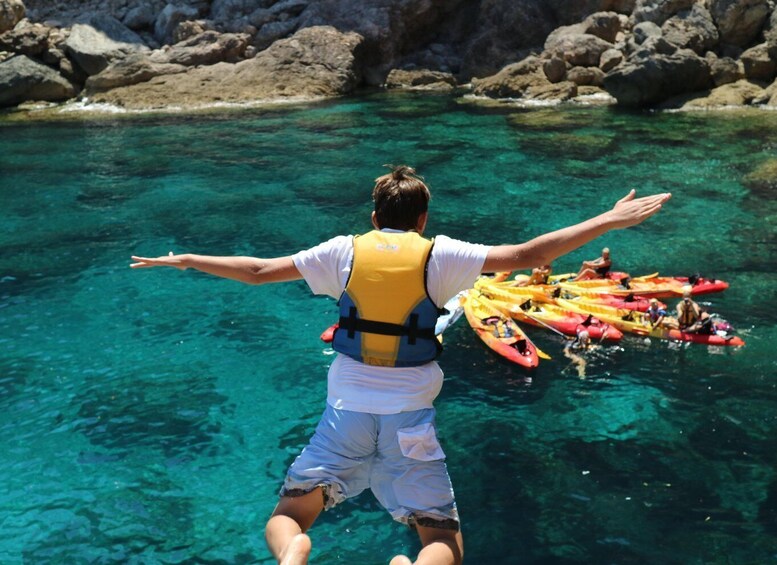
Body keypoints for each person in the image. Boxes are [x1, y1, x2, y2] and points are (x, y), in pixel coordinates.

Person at [130, 165, 670, 565]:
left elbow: (256, 269)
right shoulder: (441, 255)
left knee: (290, 515)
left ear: (373, 217)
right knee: (439, 539)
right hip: (410, 421)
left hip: (344, 415)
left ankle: (294, 553)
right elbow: (529, 254)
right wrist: (609, 219)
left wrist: (187, 259)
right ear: (422, 219)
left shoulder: (342, 250)